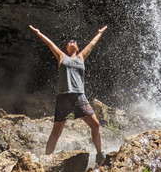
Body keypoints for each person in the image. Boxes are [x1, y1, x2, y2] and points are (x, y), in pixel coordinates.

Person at [29, 24, 108, 162]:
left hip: (79, 96)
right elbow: (50, 44)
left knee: (95, 125)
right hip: (64, 96)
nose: (72, 42)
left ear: (77, 48)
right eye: (69, 42)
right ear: (66, 48)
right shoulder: (62, 57)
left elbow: (92, 43)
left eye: (75, 42)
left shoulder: (81, 57)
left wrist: (100, 33)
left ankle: (99, 155)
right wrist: (38, 32)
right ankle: (46, 160)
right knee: (56, 131)